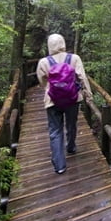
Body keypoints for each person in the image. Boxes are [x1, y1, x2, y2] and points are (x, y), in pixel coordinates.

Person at [36, 33, 92, 174]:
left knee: (55, 131)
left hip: (52, 100)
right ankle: (71, 147)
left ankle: (60, 165)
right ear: (63, 43)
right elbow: (82, 77)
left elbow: (42, 81)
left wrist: (50, 87)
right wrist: (88, 95)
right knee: (72, 124)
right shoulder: (74, 58)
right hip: (72, 98)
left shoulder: (43, 62)